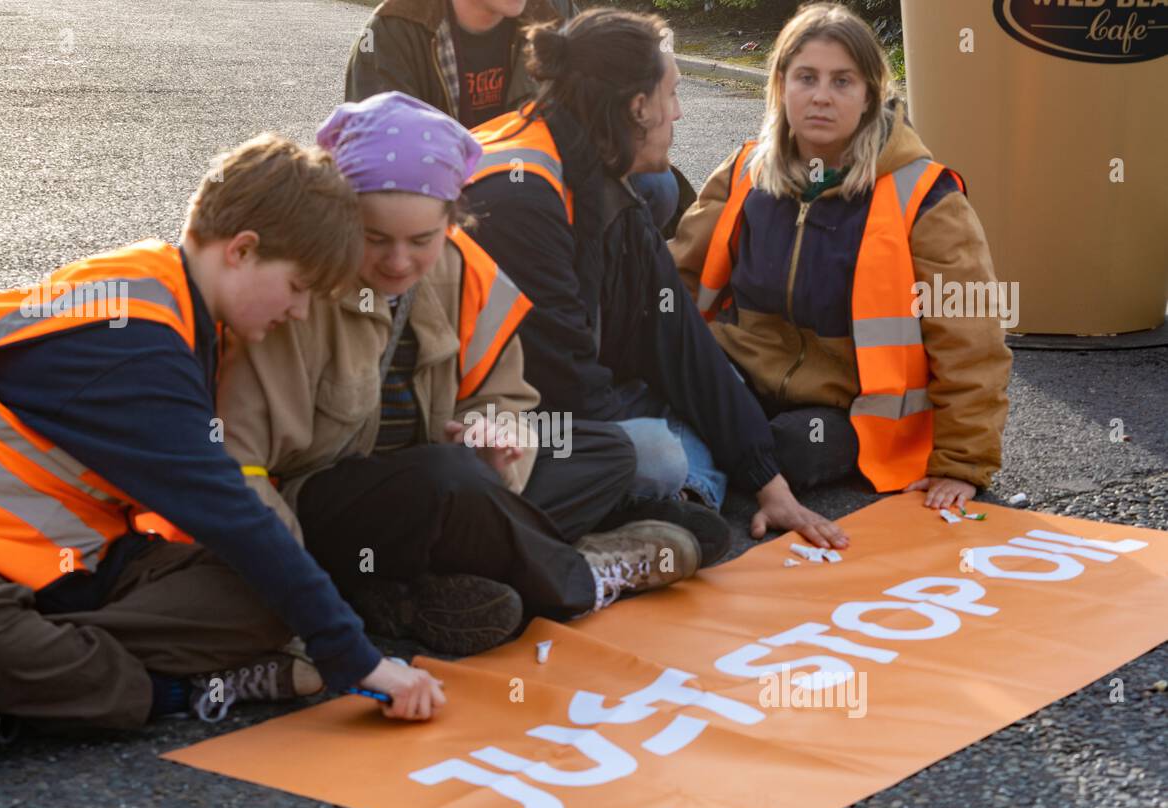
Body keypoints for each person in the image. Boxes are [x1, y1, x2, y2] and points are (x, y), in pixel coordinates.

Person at [0, 134, 446, 757]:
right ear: (243, 250)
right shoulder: (133, 340)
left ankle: (7, 679)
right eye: (298, 286)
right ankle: (178, 693)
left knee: (263, 597)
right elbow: (229, 509)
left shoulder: (171, 300)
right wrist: (357, 661)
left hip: (82, 564)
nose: (301, 311)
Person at [218, 92, 704, 657]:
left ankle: (409, 595)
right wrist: (294, 589)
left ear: (451, 221)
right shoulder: (293, 294)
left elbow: (505, 398)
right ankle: (578, 576)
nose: (399, 262)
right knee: (448, 478)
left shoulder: (462, 268)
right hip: (329, 516)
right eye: (374, 239)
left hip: (451, 494)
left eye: (422, 241)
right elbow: (237, 468)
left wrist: (500, 439)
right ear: (339, 216)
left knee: (606, 452)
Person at [463, 8, 849, 550]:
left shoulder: (592, 167)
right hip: (482, 425)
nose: (679, 113)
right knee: (658, 452)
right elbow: (567, 388)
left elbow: (680, 333)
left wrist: (770, 484)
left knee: (716, 393)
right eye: (670, 95)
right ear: (636, 106)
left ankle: (681, 505)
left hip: (559, 398)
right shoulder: (523, 198)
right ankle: (666, 504)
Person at [670, 2, 1010, 508]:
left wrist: (962, 462)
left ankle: (694, 491)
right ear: (781, 85)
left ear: (872, 93)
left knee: (787, 447)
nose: (821, 97)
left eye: (842, 82)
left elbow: (971, 339)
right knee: (670, 404)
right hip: (741, 379)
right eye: (806, 78)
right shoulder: (744, 170)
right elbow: (678, 278)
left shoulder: (925, 197)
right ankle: (689, 499)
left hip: (846, 412)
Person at [344, 0, 687, 233]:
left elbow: (605, 106)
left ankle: (614, 293)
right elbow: (380, 165)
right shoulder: (392, 30)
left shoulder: (549, 11)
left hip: (546, 177)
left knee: (656, 186)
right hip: (449, 191)